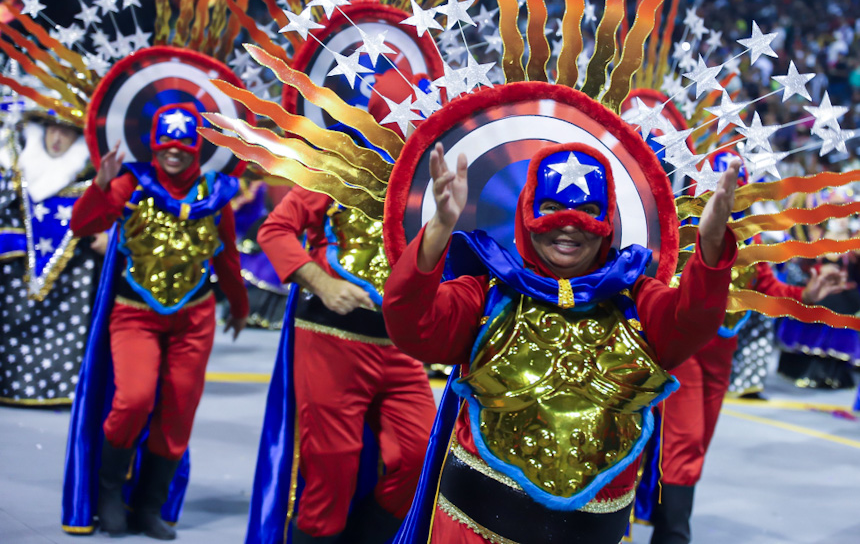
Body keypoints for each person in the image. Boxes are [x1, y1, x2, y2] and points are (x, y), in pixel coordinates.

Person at [382, 141, 743, 543]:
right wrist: (438, 230)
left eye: (588, 212)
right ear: (526, 212)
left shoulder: (635, 298)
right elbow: (412, 325)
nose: (569, 224)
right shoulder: (488, 294)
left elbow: (690, 323)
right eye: (552, 209)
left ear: (608, 220)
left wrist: (710, 250)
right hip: (472, 531)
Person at [67, 103, 248, 539]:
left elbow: (225, 254)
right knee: (133, 400)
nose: (174, 152)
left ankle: (148, 506)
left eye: (184, 144)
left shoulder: (216, 192)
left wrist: (239, 306)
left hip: (195, 317)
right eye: (166, 143)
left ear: (197, 147)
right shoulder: (132, 183)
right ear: (154, 144)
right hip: (135, 313)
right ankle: (109, 493)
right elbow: (82, 224)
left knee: (179, 411)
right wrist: (101, 185)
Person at [649, 156, 851, 544]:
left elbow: (769, 289)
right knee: (684, 441)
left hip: (722, 353)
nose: (729, 195)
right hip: (684, 353)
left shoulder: (750, 239)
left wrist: (808, 295)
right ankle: (674, 534)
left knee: (698, 443)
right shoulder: (677, 228)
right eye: (721, 185)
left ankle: (669, 526)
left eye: (738, 188)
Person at [252, 135, 437, 543]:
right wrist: (319, 282)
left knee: (422, 459)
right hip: (330, 339)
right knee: (330, 469)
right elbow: (276, 230)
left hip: (399, 346)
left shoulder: (432, 180)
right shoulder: (336, 169)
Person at [0, 112, 103, 406]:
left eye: (67, 132)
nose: (57, 139)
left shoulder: (92, 176)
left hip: (73, 276)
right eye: (53, 130)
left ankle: (62, 388)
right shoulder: (13, 166)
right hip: (16, 271)